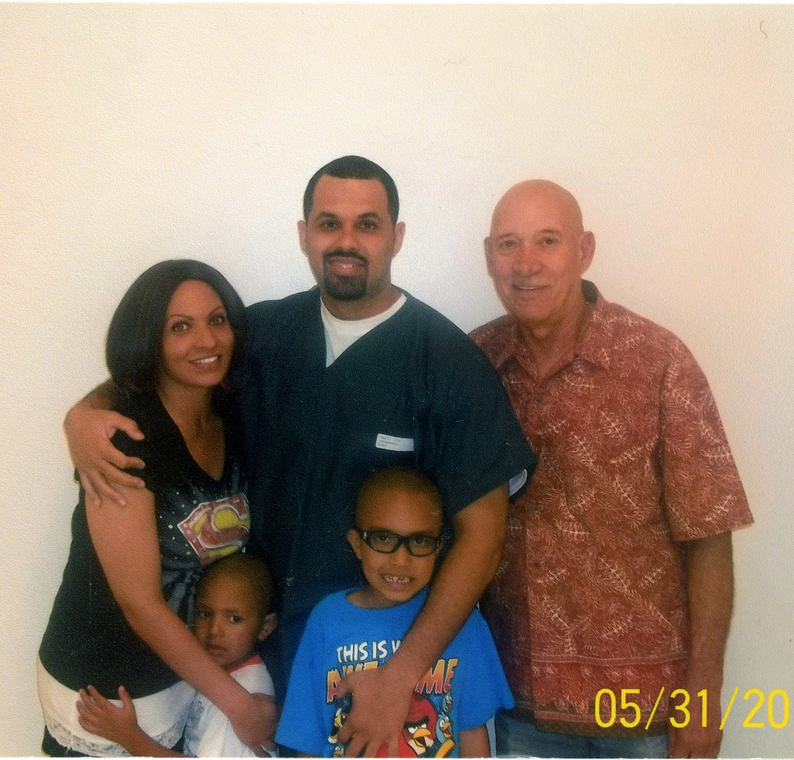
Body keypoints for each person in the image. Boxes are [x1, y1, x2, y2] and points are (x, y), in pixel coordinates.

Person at [63, 156, 536, 756]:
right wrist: (83, 416)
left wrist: (401, 677)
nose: (346, 241)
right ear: (304, 234)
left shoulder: (446, 363)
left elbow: (484, 539)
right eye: (328, 223)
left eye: (367, 224)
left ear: (397, 237)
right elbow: (165, 370)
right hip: (260, 660)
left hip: (382, 670)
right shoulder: (261, 335)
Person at [470, 179, 754, 758]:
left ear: (585, 250)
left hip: (646, 714)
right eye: (509, 244)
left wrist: (704, 695)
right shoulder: (470, 366)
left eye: (547, 241)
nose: (526, 264)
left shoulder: (658, 361)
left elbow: (709, 536)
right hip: (516, 706)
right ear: (488, 257)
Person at [37, 260, 276, 757]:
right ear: (149, 339)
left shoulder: (229, 409)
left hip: (187, 672)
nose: (206, 341)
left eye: (216, 320)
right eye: (180, 327)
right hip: (109, 692)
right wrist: (239, 704)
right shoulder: (123, 441)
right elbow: (139, 603)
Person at [275, 467, 515, 758]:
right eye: (383, 539)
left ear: (439, 548)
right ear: (357, 544)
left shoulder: (463, 623)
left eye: (419, 542)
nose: (401, 561)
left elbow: (473, 732)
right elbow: (308, 741)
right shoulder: (325, 620)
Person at [76, 552, 279, 758]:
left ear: (265, 627)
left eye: (234, 619)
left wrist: (130, 738)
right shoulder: (227, 672)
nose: (215, 630)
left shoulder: (247, 693)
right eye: (205, 613)